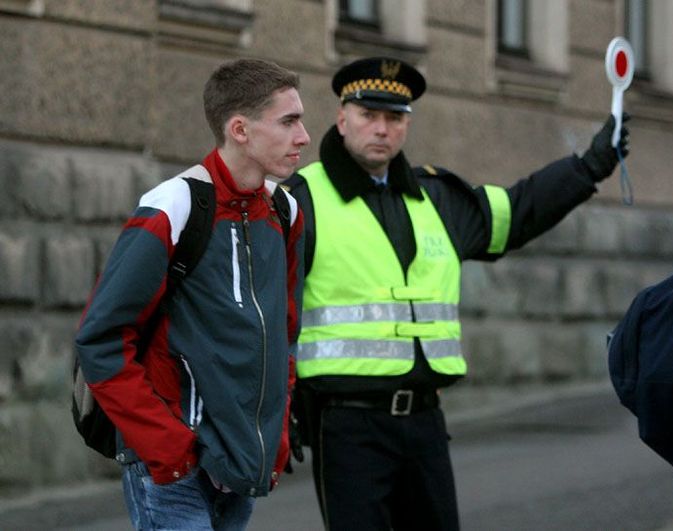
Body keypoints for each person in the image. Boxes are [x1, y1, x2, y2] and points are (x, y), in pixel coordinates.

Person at [283, 56, 630, 531]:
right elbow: (269, 309)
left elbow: (517, 210)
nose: (382, 129)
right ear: (342, 118)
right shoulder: (303, 198)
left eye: (395, 117)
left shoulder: (436, 196)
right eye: (369, 115)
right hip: (345, 425)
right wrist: (278, 409)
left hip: (424, 421)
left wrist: (591, 165)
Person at [75, 58, 309, 530]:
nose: (303, 136)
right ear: (240, 129)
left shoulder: (285, 211)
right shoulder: (174, 207)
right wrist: (167, 446)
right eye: (288, 121)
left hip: (238, 462)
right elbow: (100, 339)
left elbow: (283, 336)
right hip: (173, 469)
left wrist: (273, 438)